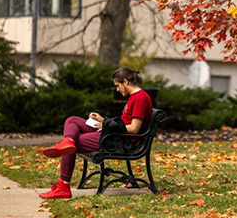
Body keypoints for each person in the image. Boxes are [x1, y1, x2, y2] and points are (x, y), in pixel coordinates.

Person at [38, 67, 153, 199]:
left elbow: (134, 128)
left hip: (120, 141)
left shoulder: (140, 98)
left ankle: (63, 187)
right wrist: (103, 121)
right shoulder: (135, 97)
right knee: (72, 120)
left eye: (117, 85)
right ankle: (67, 141)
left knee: (73, 144)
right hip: (115, 135)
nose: (117, 89)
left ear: (125, 82)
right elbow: (124, 122)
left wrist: (107, 126)